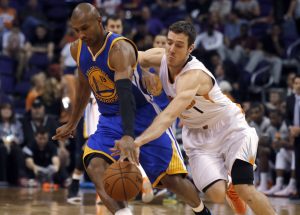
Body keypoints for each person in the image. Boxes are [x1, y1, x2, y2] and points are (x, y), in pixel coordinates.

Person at [53, 3, 210, 215]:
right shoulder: (77, 49)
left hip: (144, 115)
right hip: (109, 118)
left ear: (99, 22)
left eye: (85, 28)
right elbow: (83, 86)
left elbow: (126, 95)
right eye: (76, 30)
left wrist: (128, 136)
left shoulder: (119, 48)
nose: (80, 35)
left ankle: (202, 211)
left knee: (172, 181)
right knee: (94, 165)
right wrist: (73, 122)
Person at [133, 20, 277, 215]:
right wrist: (141, 70)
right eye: (169, 42)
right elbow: (130, 55)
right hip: (197, 136)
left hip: (229, 128)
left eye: (179, 45)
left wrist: (138, 141)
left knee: (245, 188)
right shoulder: (160, 57)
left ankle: (240, 188)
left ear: (190, 48)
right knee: (217, 195)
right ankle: (231, 189)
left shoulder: (194, 75)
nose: (171, 49)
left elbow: (168, 116)